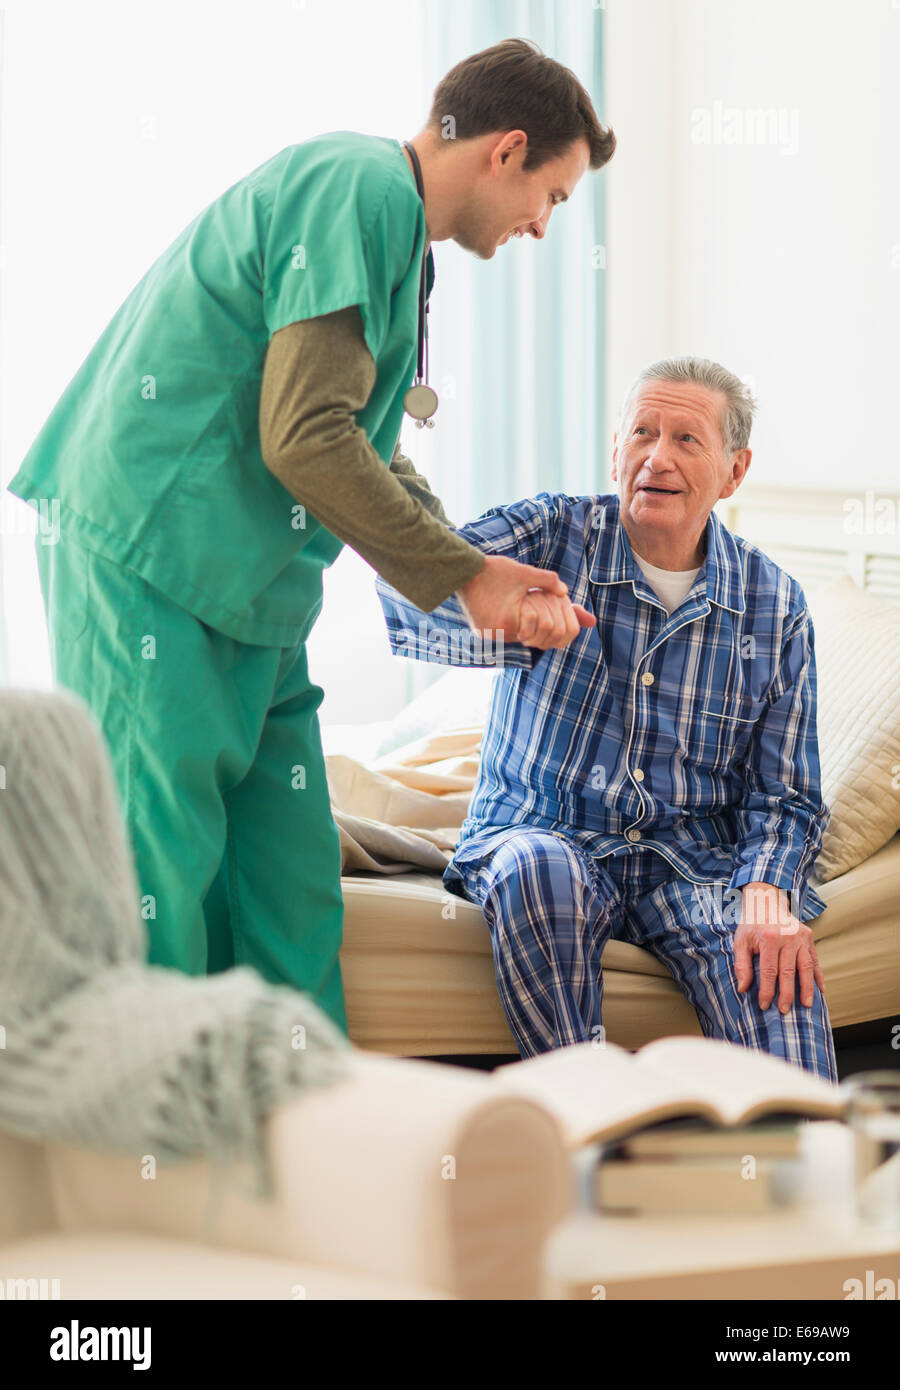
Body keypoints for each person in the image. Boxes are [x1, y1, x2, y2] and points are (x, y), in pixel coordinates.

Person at [6, 39, 613, 1033]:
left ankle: (302, 1122)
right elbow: (304, 437)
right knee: (163, 866)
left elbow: (362, 439)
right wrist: (461, 579)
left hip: (255, 585)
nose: (544, 226)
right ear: (507, 150)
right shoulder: (356, 187)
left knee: (288, 873)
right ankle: (155, 1160)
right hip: (155, 546)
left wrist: (478, 568)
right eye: (552, 195)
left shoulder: (394, 235)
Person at [376, 357, 838, 1083]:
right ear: (614, 448)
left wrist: (768, 889)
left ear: (733, 471)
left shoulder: (775, 606)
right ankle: (588, 1107)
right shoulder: (551, 533)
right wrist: (502, 617)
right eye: (643, 433)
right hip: (545, 830)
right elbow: (409, 581)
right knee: (541, 869)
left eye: (688, 439)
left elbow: (785, 794)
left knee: (771, 965)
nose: (658, 457)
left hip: (691, 861)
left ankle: (810, 1166)